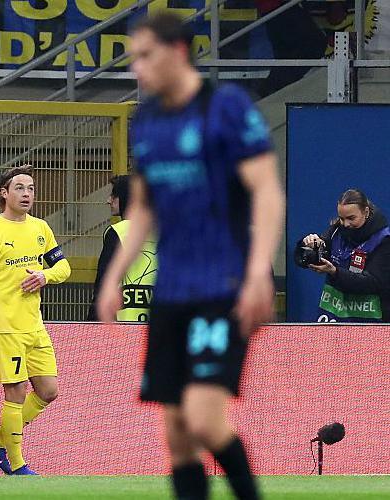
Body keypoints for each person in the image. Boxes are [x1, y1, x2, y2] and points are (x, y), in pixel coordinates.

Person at [97, 14, 284, 500]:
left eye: (144, 55)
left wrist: (259, 273)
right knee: (177, 431)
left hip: (221, 287)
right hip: (172, 294)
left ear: (178, 50)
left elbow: (266, 192)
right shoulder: (147, 121)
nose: (136, 69)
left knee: (203, 417)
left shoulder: (226, 108)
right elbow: (142, 209)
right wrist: (114, 276)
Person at [0, 165, 72, 476]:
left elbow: (64, 268)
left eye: (30, 189)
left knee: (48, 390)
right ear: (4, 193)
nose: (27, 194)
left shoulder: (41, 228)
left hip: (35, 325)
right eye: (20, 188)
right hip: (5, 326)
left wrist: (45, 275)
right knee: (14, 392)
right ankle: (16, 465)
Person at [299, 189, 390, 322]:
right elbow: (307, 258)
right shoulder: (337, 230)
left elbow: (373, 283)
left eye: (351, 218)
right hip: (334, 317)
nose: (345, 224)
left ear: (366, 212)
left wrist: (335, 272)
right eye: (341, 218)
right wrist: (309, 245)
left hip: (372, 320)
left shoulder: (384, 240)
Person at [87, 175, 158, 322]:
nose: (109, 200)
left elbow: (104, 280)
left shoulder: (118, 231)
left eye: (114, 194)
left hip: (125, 325)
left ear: (126, 197)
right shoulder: (164, 229)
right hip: (160, 322)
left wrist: (93, 321)